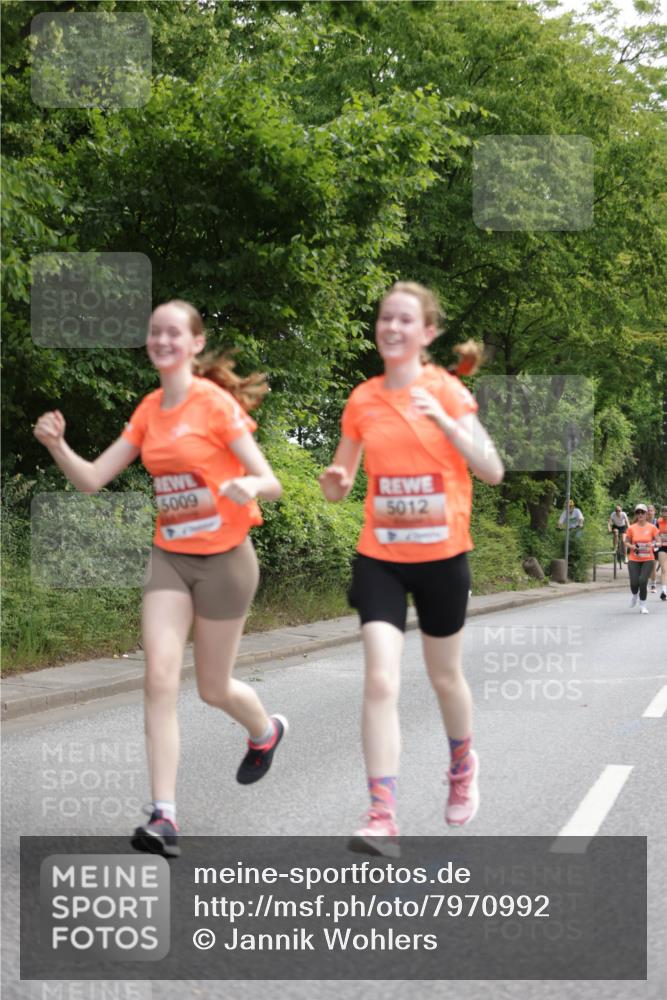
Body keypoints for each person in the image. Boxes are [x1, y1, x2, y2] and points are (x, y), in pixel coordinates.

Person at [34, 300, 287, 858]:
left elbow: (270, 481)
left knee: (214, 687)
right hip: (170, 557)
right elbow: (93, 479)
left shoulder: (214, 404)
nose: (162, 340)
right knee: (159, 677)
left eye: (174, 332)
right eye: (155, 332)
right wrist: (57, 446)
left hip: (227, 559)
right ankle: (164, 815)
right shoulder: (149, 410)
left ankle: (265, 732)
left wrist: (249, 486)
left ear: (195, 344)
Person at [319, 281, 504, 857]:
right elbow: (341, 481)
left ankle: (462, 766)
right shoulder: (363, 399)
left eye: (404, 320)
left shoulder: (447, 391)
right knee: (380, 678)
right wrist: (334, 483)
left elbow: (492, 470)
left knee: (445, 676)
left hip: (443, 558)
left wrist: (445, 421)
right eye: (385, 318)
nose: (392, 328)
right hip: (381, 557)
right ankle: (381, 815)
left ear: (427, 333)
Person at [625, 504, 659, 614]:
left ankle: (643, 605)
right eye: (638, 512)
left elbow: (659, 542)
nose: (640, 514)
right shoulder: (631, 528)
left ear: (646, 514)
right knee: (634, 583)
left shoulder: (652, 527)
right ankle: (635, 595)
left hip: (648, 558)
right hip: (634, 559)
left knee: (643, 581)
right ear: (636, 514)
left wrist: (652, 544)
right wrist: (632, 546)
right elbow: (626, 542)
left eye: (642, 512)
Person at [656, 505, 667, 601]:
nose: (665, 513)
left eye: (666, 511)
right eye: (663, 511)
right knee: (663, 569)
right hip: (662, 547)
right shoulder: (658, 522)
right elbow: (655, 534)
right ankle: (664, 592)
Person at [646, 504, 659, 593]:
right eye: (648, 511)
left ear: (654, 512)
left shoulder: (657, 522)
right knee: (645, 567)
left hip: (655, 547)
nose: (650, 512)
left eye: (651, 510)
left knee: (653, 566)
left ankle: (653, 585)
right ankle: (645, 584)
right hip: (644, 547)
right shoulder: (643, 522)